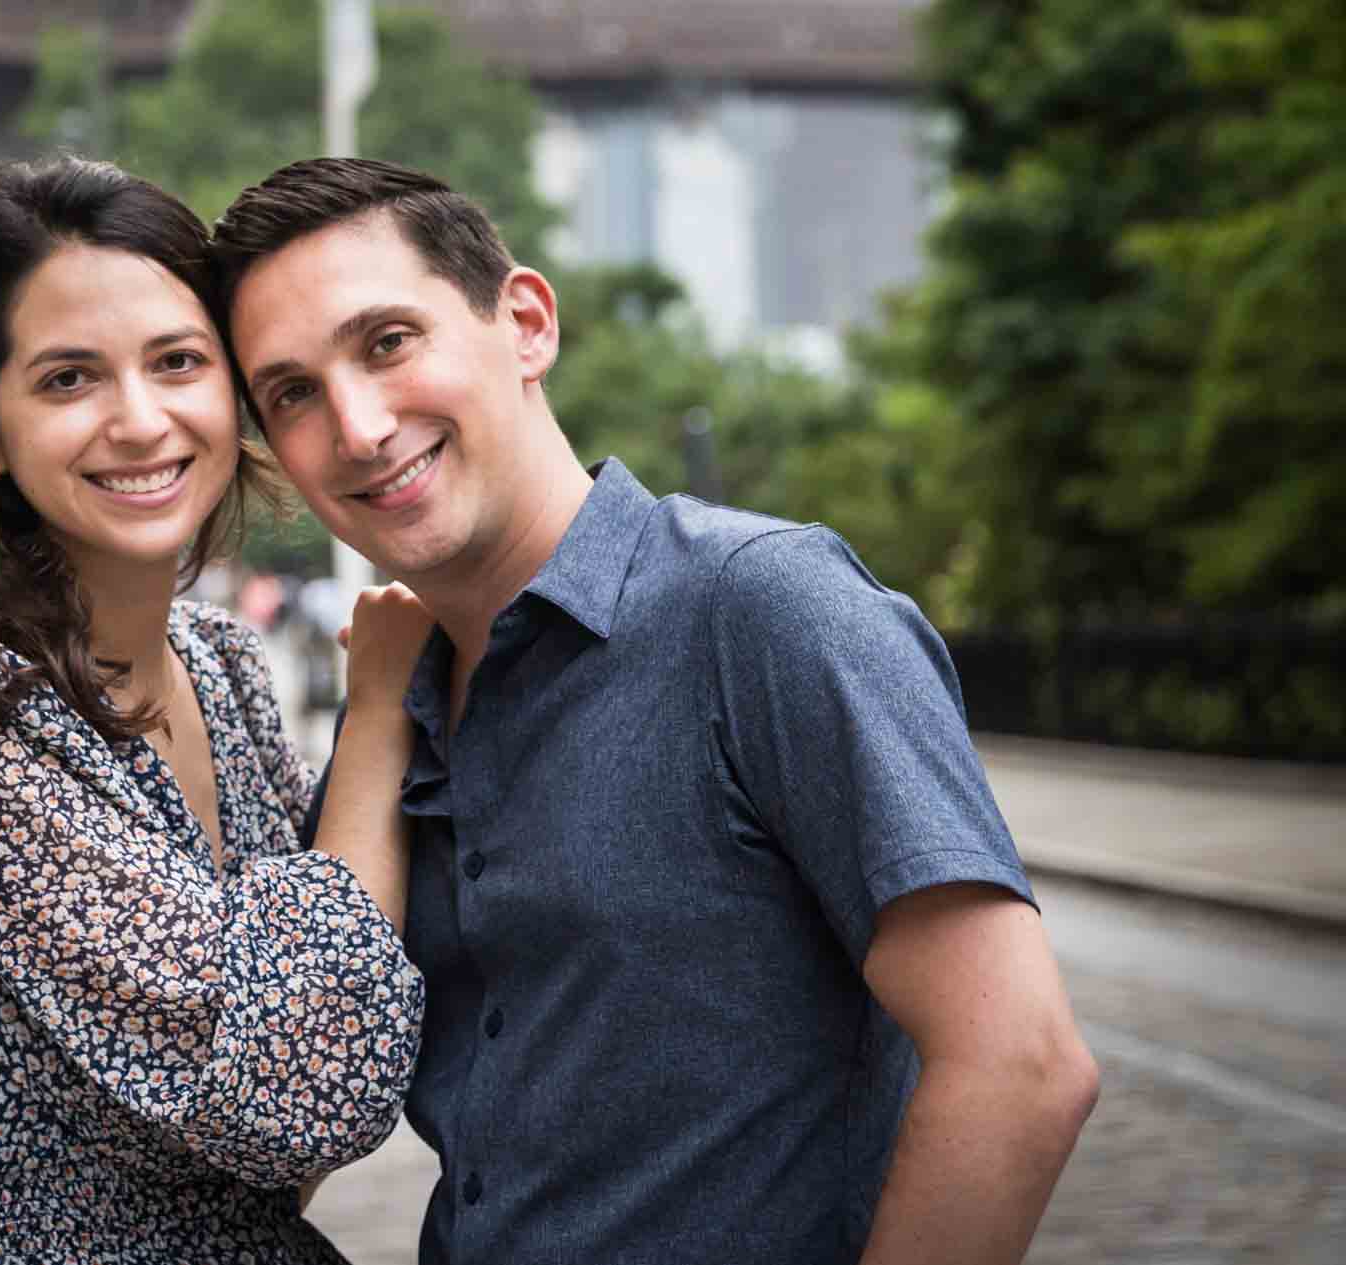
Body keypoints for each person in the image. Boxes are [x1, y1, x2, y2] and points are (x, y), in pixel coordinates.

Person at [210, 157, 1101, 1265]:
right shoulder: (395, 710)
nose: (354, 424)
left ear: (525, 323)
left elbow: (1018, 1063)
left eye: (388, 341)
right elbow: (293, 1127)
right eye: (291, 391)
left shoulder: (764, 607)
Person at [0, 157, 432, 1263]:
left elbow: (308, 1073)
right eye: (67, 379)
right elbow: (301, 1087)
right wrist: (379, 714)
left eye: (177, 361)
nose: (139, 419)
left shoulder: (222, 665)